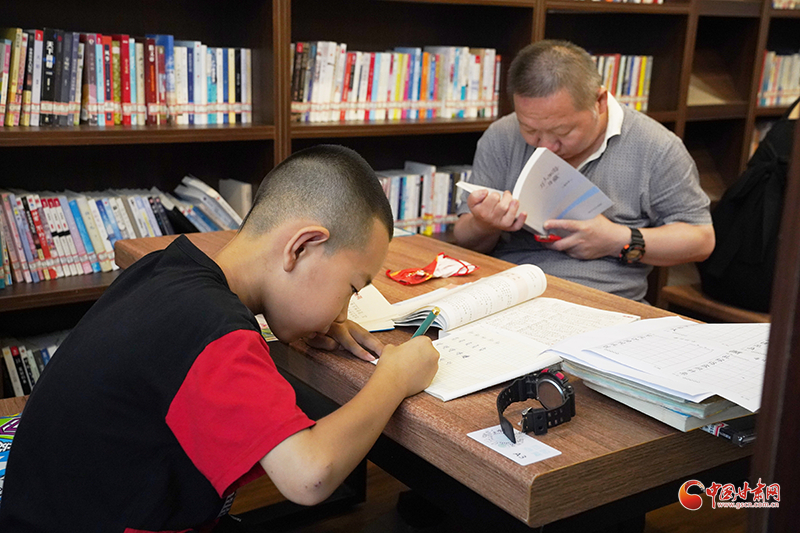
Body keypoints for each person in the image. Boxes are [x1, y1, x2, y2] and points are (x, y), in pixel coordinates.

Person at [0, 145, 439, 532]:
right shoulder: (214, 330)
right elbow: (310, 476)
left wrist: (318, 317)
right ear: (301, 247)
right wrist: (394, 378)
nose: (344, 310)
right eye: (352, 288)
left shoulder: (168, 269)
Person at [454, 40, 715, 302]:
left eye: (563, 131)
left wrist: (617, 240)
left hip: (602, 301)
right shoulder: (502, 135)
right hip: (508, 294)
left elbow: (701, 240)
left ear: (600, 102)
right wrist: (484, 224)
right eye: (530, 130)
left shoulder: (656, 147)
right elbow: (464, 238)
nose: (545, 146)